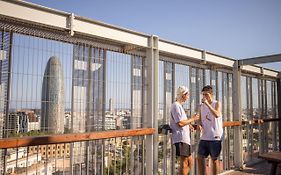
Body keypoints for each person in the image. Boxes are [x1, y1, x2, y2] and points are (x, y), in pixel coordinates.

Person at [170, 86, 199, 175]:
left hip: (184, 138)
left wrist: (189, 125)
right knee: (185, 162)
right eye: (187, 94)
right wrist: (192, 119)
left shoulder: (179, 106)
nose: (188, 96)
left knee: (189, 162)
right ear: (183, 95)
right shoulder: (176, 106)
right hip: (180, 138)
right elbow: (180, 123)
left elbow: (182, 122)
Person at [197, 85, 223, 175]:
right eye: (203, 95)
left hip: (214, 137)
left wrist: (207, 104)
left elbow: (217, 114)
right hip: (204, 136)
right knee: (200, 158)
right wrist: (199, 124)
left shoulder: (217, 103)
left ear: (211, 94)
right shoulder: (201, 106)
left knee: (214, 160)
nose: (204, 97)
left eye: (206, 95)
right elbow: (200, 119)